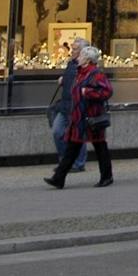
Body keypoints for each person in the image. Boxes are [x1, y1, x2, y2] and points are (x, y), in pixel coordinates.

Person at [44, 44, 113, 188]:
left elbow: (107, 92)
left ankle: (106, 176)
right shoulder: (80, 72)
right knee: (73, 147)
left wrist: (87, 92)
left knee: (99, 146)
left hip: (91, 117)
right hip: (78, 117)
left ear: (87, 60)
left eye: (81, 56)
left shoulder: (95, 74)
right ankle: (59, 178)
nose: (79, 58)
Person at [47, 37, 89, 175]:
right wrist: (63, 80)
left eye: (75, 49)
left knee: (77, 135)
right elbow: (69, 80)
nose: (72, 51)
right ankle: (65, 160)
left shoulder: (86, 66)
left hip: (77, 105)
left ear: (83, 51)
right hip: (65, 104)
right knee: (57, 131)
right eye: (73, 48)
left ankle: (78, 163)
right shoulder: (71, 63)